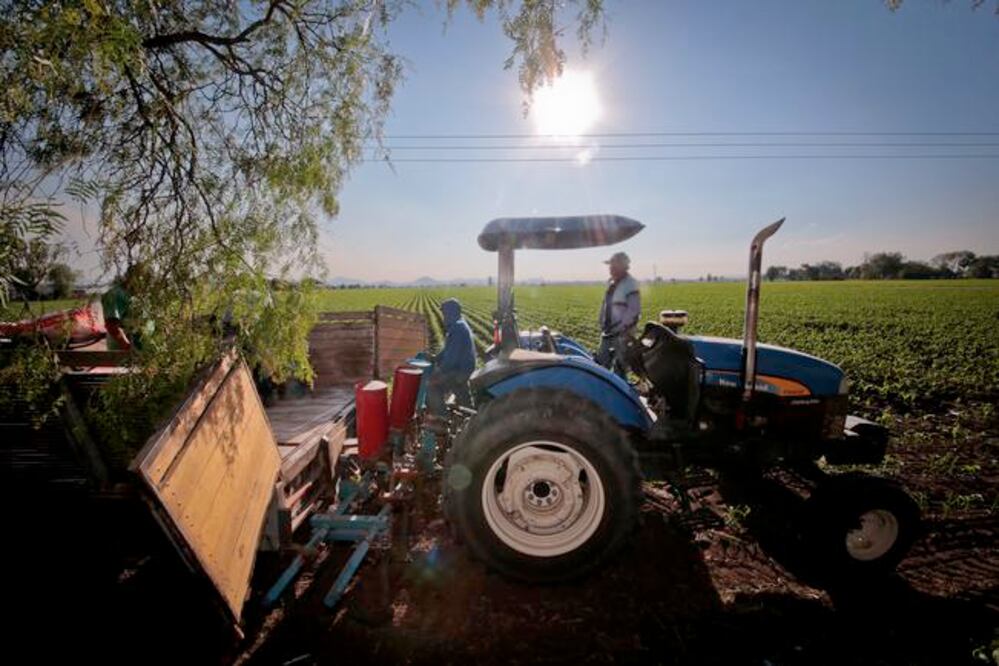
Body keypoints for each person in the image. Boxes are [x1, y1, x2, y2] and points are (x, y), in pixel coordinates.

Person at [595, 251, 641, 378]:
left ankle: (617, 393)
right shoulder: (611, 283)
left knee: (620, 368)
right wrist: (601, 321)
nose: (610, 268)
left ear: (623, 267)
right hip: (607, 331)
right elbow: (606, 304)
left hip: (622, 334)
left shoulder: (630, 284)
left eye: (613, 265)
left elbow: (633, 311)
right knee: (601, 365)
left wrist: (620, 328)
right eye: (610, 266)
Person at [427, 298, 476, 414]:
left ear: (450, 313)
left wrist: (438, 372)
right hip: (465, 369)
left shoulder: (457, 328)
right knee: (464, 398)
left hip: (459, 371)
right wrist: (436, 358)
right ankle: (469, 417)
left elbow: (451, 359)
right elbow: (448, 350)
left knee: (432, 388)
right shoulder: (460, 324)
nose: (443, 317)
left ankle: (441, 419)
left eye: (444, 313)